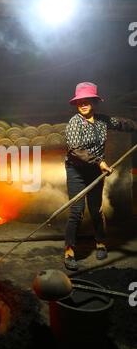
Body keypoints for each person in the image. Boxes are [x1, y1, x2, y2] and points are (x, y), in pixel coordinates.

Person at [64, 82, 137, 271]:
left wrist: (134, 126)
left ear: (94, 102)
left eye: (87, 100)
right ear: (76, 103)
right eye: (80, 100)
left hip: (96, 171)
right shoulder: (74, 123)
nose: (83, 103)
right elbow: (75, 150)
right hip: (77, 171)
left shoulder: (103, 120)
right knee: (76, 211)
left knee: (96, 209)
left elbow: (121, 123)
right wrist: (100, 162)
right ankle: (70, 251)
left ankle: (100, 243)